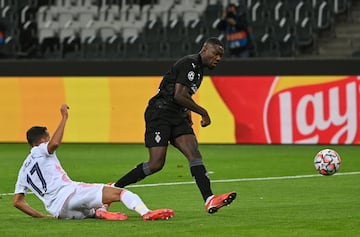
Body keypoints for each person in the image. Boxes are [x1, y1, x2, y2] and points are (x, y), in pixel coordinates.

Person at [113, 37, 236, 214]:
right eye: (216, 54)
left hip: (177, 115)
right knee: (156, 164)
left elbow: (183, 95)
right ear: (205, 50)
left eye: (221, 56)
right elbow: (179, 95)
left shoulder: (199, 70)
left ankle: (209, 199)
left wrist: (187, 113)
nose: (218, 58)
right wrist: (203, 112)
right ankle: (114, 188)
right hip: (160, 113)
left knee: (194, 153)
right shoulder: (190, 64)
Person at [13, 104, 174, 221]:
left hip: (60, 212)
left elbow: (17, 202)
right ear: (42, 140)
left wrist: (41, 216)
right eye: (47, 137)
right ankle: (145, 212)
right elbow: (54, 144)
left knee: (94, 207)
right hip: (70, 193)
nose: (49, 140)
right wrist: (64, 118)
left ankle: (99, 212)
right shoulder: (40, 149)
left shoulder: (23, 170)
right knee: (118, 191)